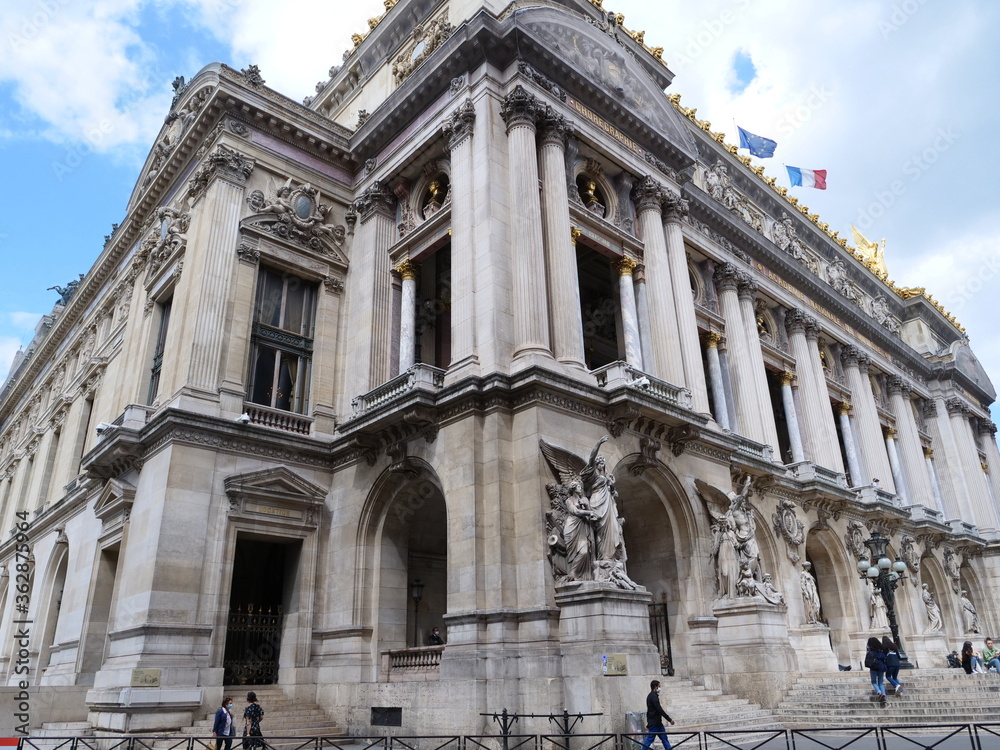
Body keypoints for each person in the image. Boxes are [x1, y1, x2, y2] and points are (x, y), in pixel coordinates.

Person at [643, 680, 675, 749]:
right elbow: (659, 709)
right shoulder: (653, 696)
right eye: (659, 686)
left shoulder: (652, 696)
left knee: (664, 738)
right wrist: (669, 719)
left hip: (657, 723)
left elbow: (652, 711)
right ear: (655, 687)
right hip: (654, 724)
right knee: (649, 740)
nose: (660, 688)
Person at [865, 636, 887, 704]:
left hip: (874, 667)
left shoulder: (870, 652)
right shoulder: (882, 651)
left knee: (874, 682)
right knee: (881, 682)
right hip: (881, 667)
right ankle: (884, 694)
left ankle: (879, 693)